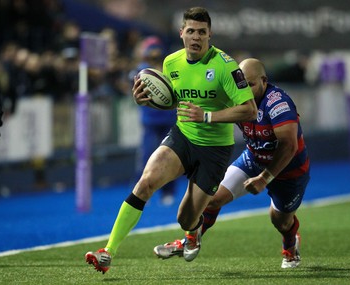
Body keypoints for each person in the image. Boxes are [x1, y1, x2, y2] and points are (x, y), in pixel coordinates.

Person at [85, 7, 257, 274]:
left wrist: (207, 116)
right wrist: (147, 101)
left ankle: (192, 234)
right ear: (181, 33)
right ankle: (108, 252)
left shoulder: (225, 66)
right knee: (145, 182)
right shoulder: (170, 63)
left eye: (202, 32)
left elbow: (249, 110)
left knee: (185, 217)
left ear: (210, 34)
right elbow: (175, 103)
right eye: (191, 31)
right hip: (183, 137)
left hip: (215, 149)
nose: (196, 37)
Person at [153, 58, 310, 269]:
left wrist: (265, 178)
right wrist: (155, 97)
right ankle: (190, 240)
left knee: (279, 220)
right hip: (253, 159)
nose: (244, 89)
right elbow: (193, 100)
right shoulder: (235, 95)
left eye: (251, 84)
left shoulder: (278, 103)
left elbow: (289, 146)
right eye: (242, 84)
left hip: (289, 170)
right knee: (210, 199)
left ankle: (290, 246)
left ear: (264, 81)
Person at [128, 36, 177, 206]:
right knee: (145, 158)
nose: (154, 53)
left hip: (168, 121)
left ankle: (168, 192)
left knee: (169, 160)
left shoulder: (170, 70)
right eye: (151, 49)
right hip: (150, 122)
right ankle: (139, 193)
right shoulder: (141, 71)